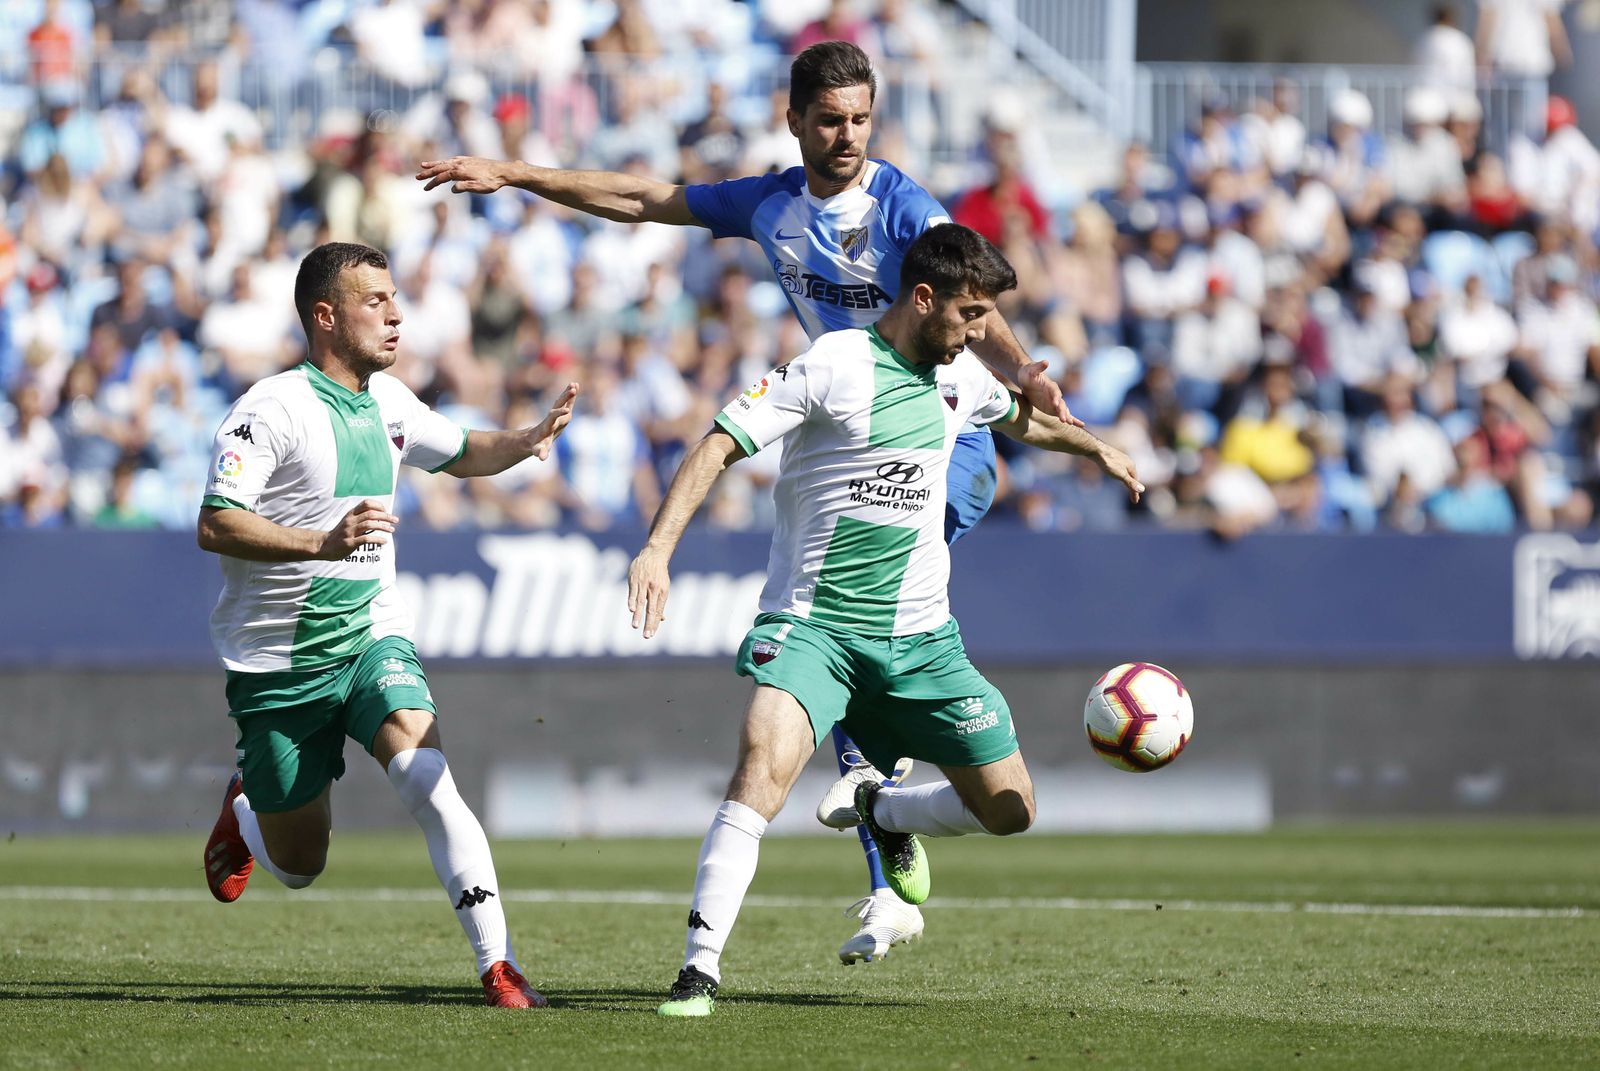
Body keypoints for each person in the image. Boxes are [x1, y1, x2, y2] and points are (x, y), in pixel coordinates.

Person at [415, 40, 1137, 966]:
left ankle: (878, 793)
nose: (846, 137)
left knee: (858, 601)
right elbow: (643, 199)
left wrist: (1023, 370)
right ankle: (883, 823)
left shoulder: (905, 206)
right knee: (828, 612)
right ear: (794, 119)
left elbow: (972, 300)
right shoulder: (769, 204)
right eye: (830, 120)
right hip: (839, 415)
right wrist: (512, 172)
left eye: (861, 120)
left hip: (937, 434)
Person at [625, 224, 1143, 1017]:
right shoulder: (833, 363)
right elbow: (717, 445)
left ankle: (882, 806)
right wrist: (657, 550)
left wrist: (1093, 447)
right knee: (760, 768)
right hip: (817, 632)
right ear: (923, 298)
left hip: (922, 641)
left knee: (1011, 809)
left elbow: (1019, 420)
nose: (981, 334)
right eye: (970, 315)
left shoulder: (961, 376)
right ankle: (698, 971)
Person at [196, 242, 580, 1008]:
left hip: (372, 636)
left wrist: (527, 439)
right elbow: (216, 523)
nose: (397, 313)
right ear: (326, 316)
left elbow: (464, 449)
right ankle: (245, 809)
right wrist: (322, 541)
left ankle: (497, 965)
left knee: (429, 778)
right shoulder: (269, 409)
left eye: (396, 298)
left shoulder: (392, 402)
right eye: (376, 301)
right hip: (279, 664)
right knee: (303, 866)